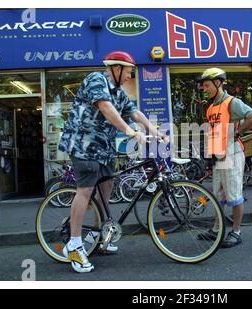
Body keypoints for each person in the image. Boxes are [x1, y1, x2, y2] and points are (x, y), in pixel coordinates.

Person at [58, 51, 168, 273]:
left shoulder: (119, 91)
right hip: (84, 145)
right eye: (128, 71)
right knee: (85, 191)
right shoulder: (96, 80)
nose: (129, 76)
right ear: (116, 69)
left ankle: (98, 236)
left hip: (104, 149)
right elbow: (105, 107)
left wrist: (157, 132)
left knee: (105, 190)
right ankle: (74, 243)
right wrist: (129, 131)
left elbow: (134, 112)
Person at [198, 67, 252, 248]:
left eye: (208, 85)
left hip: (232, 153)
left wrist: (236, 133)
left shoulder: (232, 102)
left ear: (218, 83)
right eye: (204, 86)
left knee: (233, 195)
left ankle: (236, 232)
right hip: (218, 155)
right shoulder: (210, 108)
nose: (205, 89)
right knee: (218, 195)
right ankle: (216, 230)